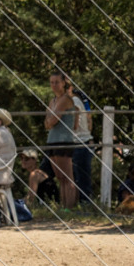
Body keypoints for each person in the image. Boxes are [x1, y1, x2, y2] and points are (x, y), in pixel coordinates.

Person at [45, 70, 79, 209]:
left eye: (57, 82)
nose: (54, 85)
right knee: (60, 177)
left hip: (63, 140)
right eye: (52, 82)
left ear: (63, 83)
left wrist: (50, 120)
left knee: (67, 177)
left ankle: (69, 208)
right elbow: (46, 123)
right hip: (52, 140)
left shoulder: (65, 99)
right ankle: (63, 206)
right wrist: (50, 120)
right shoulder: (52, 101)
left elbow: (52, 120)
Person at [71, 84, 94, 205]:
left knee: (78, 178)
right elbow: (90, 123)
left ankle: (82, 205)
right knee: (84, 178)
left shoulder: (74, 102)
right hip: (87, 141)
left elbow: (74, 124)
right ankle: (85, 204)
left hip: (78, 142)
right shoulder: (84, 104)